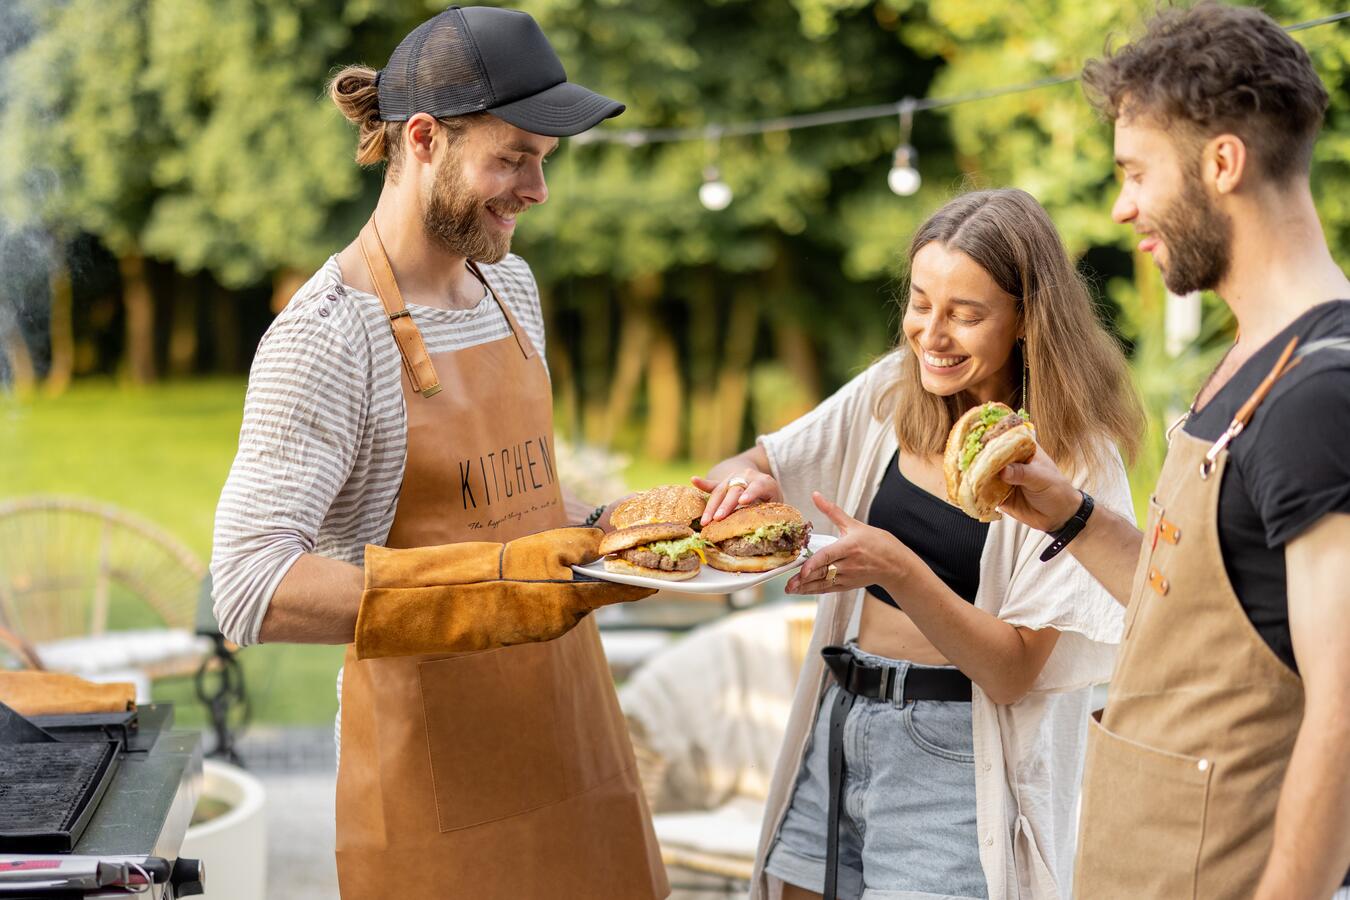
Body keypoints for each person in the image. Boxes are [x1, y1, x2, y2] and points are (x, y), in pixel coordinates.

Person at [209, 8, 667, 898]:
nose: (538, 190)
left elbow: (524, 505)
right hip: (433, 782)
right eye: (514, 157)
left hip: (572, 736)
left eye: (545, 160)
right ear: (424, 139)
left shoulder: (511, 284)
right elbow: (248, 583)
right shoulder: (326, 338)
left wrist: (631, 535)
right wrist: (497, 586)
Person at [992, 5, 1350, 898]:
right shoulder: (1243, 364)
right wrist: (1068, 515)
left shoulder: (1318, 396)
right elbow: (1194, 615)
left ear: (1221, 163)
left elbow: (1344, 717)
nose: (1123, 206)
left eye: (1136, 172)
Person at [698, 188, 1145, 899]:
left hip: (954, 757)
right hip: (839, 714)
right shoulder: (889, 394)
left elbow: (1011, 674)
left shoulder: (1073, 464)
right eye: (920, 302)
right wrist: (741, 491)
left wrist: (899, 570)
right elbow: (755, 466)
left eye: (965, 315)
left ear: (1027, 318)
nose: (931, 334)